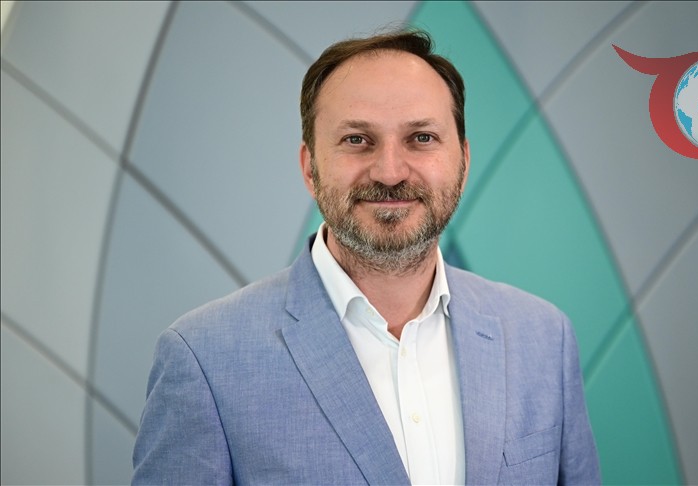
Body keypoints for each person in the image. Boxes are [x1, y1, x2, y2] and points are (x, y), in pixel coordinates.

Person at [132, 28, 600, 485]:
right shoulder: (204, 359)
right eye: (357, 139)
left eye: (421, 137)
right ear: (310, 168)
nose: (390, 172)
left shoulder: (543, 339)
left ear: (463, 161)